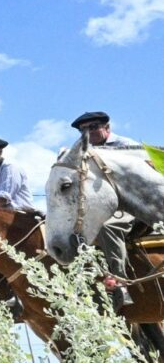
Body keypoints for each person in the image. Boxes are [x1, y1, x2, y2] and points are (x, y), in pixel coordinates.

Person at [72, 111, 141, 309]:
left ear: (107, 128)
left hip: (131, 204)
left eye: (93, 127)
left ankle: (119, 282)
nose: (88, 132)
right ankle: (85, 285)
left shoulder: (126, 147)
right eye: (83, 130)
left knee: (107, 226)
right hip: (103, 205)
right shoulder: (84, 154)